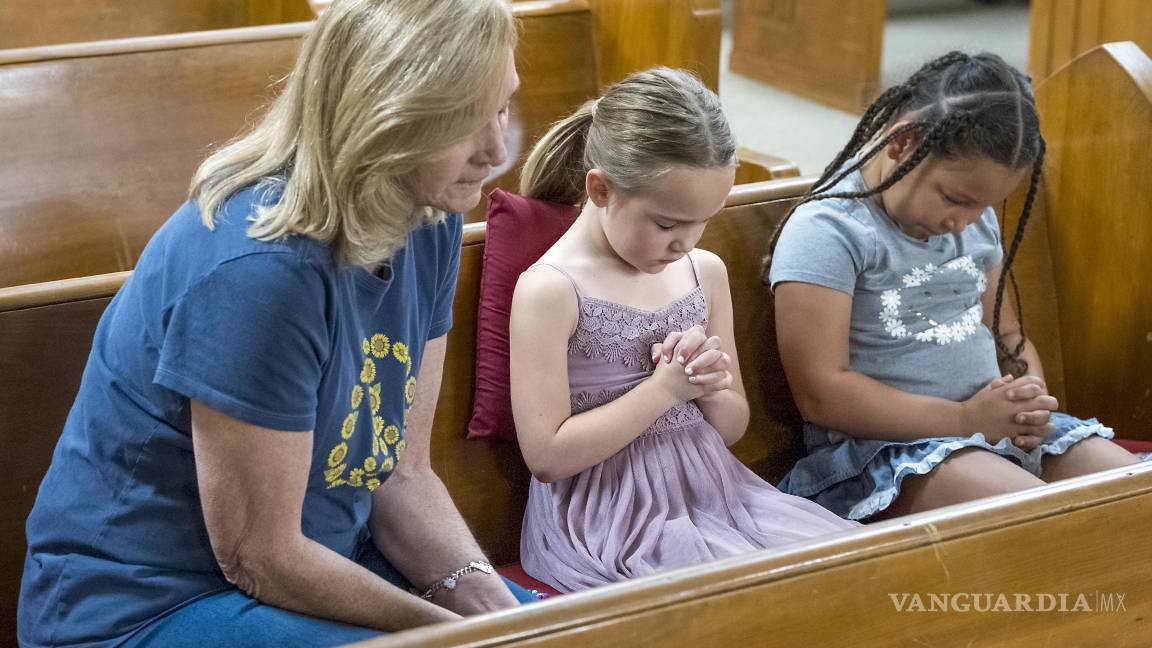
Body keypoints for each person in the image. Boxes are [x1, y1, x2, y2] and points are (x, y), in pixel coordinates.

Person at [19, 1, 537, 645]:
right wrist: (458, 637)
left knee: (601, 631)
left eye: (502, 107)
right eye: (465, 118)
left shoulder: (430, 216)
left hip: (321, 564)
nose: (496, 148)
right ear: (384, 114)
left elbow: (401, 475)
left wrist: (512, 621)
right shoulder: (258, 272)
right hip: (145, 602)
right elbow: (258, 557)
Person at [509, 67, 859, 593]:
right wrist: (663, 390)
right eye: (668, 224)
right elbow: (548, 458)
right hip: (610, 512)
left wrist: (708, 386)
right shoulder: (549, 290)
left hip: (715, 493)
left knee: (849, 564)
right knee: (741, 596)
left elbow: (732, 425)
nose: (685, 242)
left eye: (703, 221)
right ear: (601, 189)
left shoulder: (704, 271)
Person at [766, 51, 1141, 522]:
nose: (963, 221)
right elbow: (822, 392)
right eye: (955, 199)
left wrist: (1028, 398)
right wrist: (965, 421)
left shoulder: (972, 222)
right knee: (1044, 519)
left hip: (987, 429)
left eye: (983, 206)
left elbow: (1006, 334)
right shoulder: (829, 231)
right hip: (886, 453)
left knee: (1132, 491)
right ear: (903, 142)